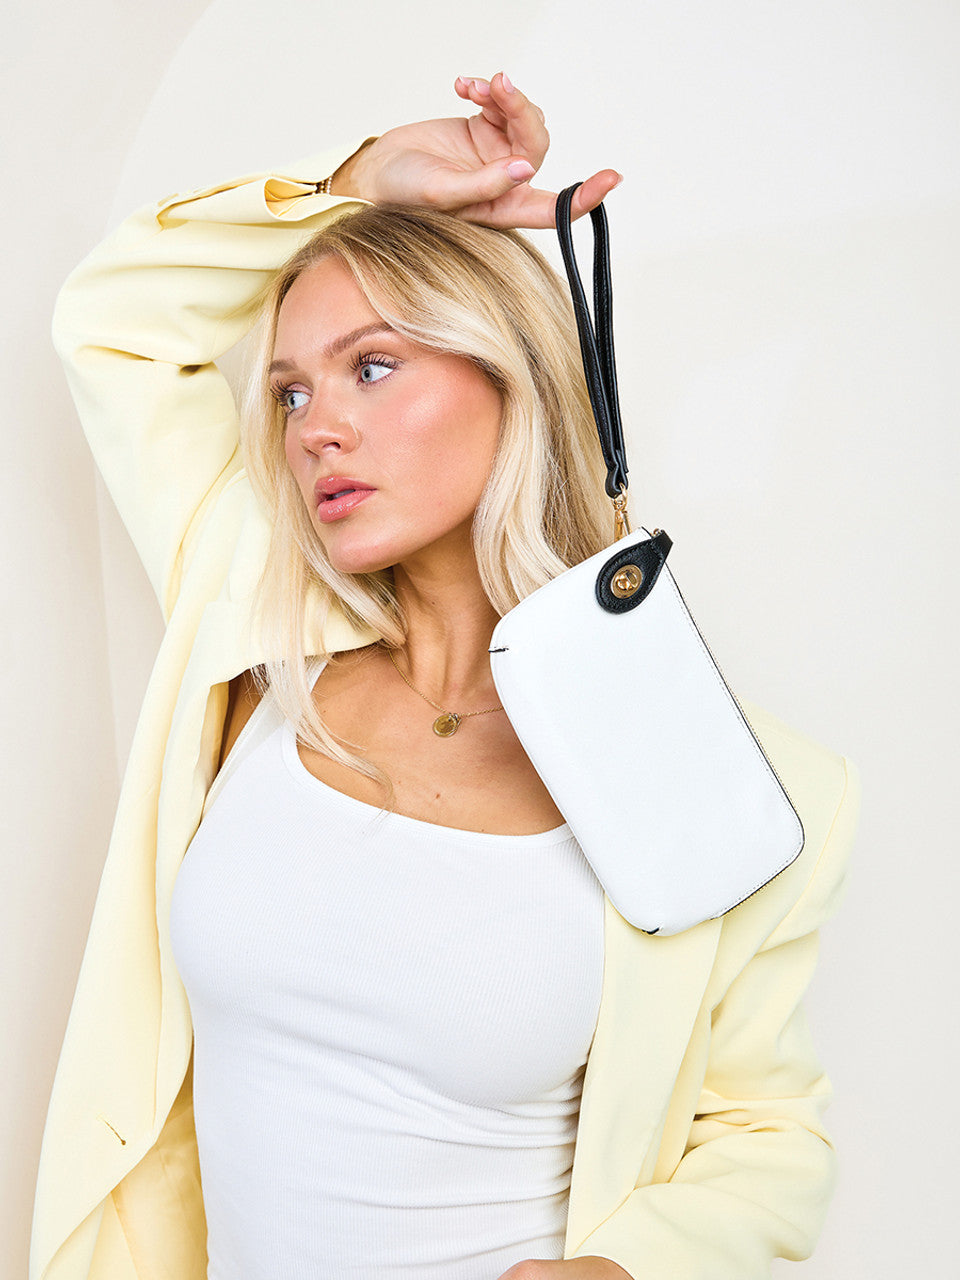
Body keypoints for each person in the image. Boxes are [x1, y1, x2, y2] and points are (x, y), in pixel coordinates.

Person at [31, 73, 860, 1280]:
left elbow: (766, 1129)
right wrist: (357, 185)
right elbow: (114, 322)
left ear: (511, 374)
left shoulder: (722, 774)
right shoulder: (263, 641)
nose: (314, 427)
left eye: (373, 367)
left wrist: (621, 1270)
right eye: (290, 391)